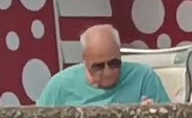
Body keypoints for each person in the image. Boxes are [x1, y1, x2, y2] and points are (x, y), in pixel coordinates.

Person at [36, 24, 171, 106]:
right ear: (85, 61)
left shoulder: (144, 78)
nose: (107, 72)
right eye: (98, 67)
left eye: (114, 64)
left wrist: (155, 116)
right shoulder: (60, 85)